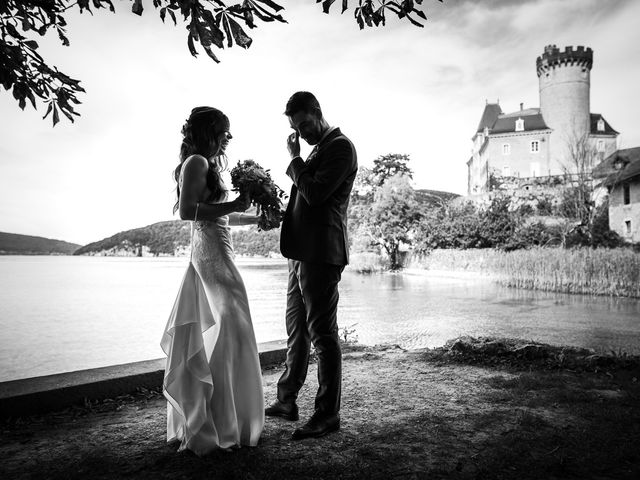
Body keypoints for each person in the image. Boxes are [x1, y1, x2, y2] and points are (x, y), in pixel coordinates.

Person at [160, 106, 264, 456]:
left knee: (229, 331)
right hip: (211, 259)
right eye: (224, 130)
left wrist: (255, 218)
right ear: (209, 131)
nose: (229, 137)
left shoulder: (206, 164)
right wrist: (234, 203)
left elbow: (221, 217)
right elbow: (189, 212)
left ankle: (225, 417)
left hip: (219, 251)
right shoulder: (196, 163)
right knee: (231, 328)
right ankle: (217, 420)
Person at [265, 92, 358, 439]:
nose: (301, 133)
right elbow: (304, 200)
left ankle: (327, 415)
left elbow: (316, 194)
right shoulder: (319, 149)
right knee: (296, 331)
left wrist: (294, 159)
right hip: (300, 254)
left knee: (323, 335)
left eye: (304, 124)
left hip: (322, 254)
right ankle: (287, 400)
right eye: (295, 128)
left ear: (318, 113)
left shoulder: (341, 147)